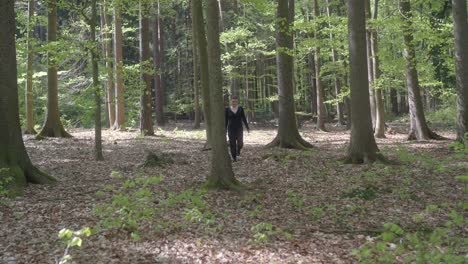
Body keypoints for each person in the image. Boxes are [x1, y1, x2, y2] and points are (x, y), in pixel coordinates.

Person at [225, 96, 249, 161]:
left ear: (237, 102)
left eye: (235, 101)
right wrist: (225, 130)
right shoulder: (227, 109)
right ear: (231, 101)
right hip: (231, 129)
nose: (234, 103)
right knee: (232, 143)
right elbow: (226, 120)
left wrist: (247, 127)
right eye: (233, 101)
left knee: (240, 143)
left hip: (239, 128)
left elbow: (243, 118)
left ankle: (238, 152)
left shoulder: (240, 108)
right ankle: (234, 157)